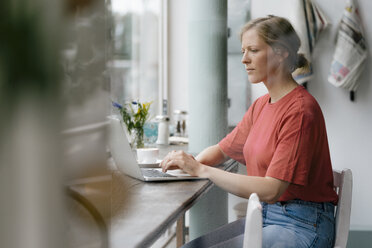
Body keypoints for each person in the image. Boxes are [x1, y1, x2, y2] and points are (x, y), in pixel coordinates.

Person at [160, 15, 338, 248]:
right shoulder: (262, 105)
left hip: (302, 225)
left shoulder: (300, 111)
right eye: (243, 51)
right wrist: (185, 164)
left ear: (281, 52)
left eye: (253, 50)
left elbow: (272, 189)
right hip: (266, 217)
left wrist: (202, 170)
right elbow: (221, 150)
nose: (244, 59)